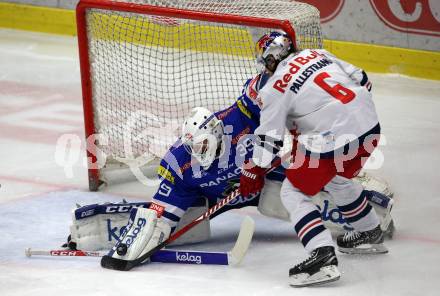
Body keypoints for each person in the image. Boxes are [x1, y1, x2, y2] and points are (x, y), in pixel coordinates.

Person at [239, 31, 388, 286]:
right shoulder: (317, 53)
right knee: (336, 177)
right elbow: (363, 79)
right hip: (370, 126)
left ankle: (322, 256)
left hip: (333, 139)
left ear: (271, 59)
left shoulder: (274, 88)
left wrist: (253, 169)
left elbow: (268, 144)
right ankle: (369, 231)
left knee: (292, 191)